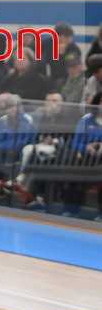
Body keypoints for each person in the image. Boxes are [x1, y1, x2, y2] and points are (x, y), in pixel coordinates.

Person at [62, 91, 102, 219]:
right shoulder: (86, 120)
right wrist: (86, 147)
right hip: (86, 158)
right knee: (72, 172)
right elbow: (75, 142)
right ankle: (71, 210)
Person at [42, 22, 81, 89]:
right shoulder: (46, 44)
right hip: (47, 75)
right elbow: (42, 62)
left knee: (60, 81)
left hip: (66, 76)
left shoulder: (73, 48)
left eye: (69, 36)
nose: (69, 39)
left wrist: (61, 55)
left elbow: (72, 66)